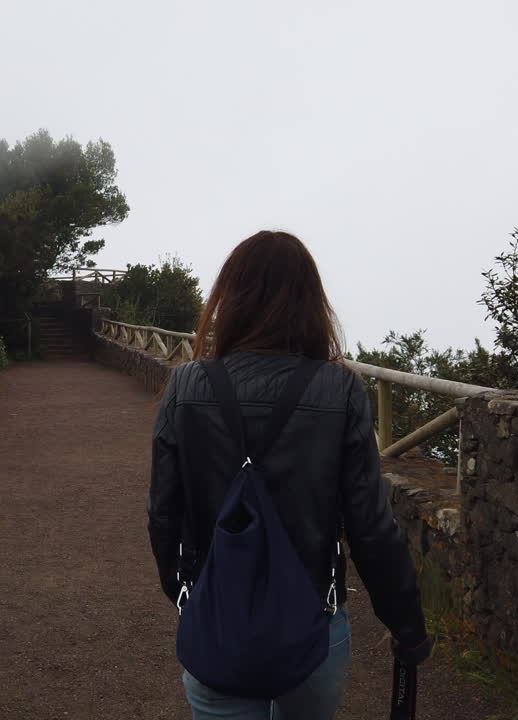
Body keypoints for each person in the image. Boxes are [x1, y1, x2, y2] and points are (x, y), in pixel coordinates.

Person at [148, 230, 432, 720]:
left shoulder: (187, 385)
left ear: (228, 300)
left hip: (218, 621)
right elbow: (371, 529)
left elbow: (162, 514)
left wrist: (184, 592)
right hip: (314, 621)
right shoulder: (339, 390)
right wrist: (407, 628)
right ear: (310, 303)